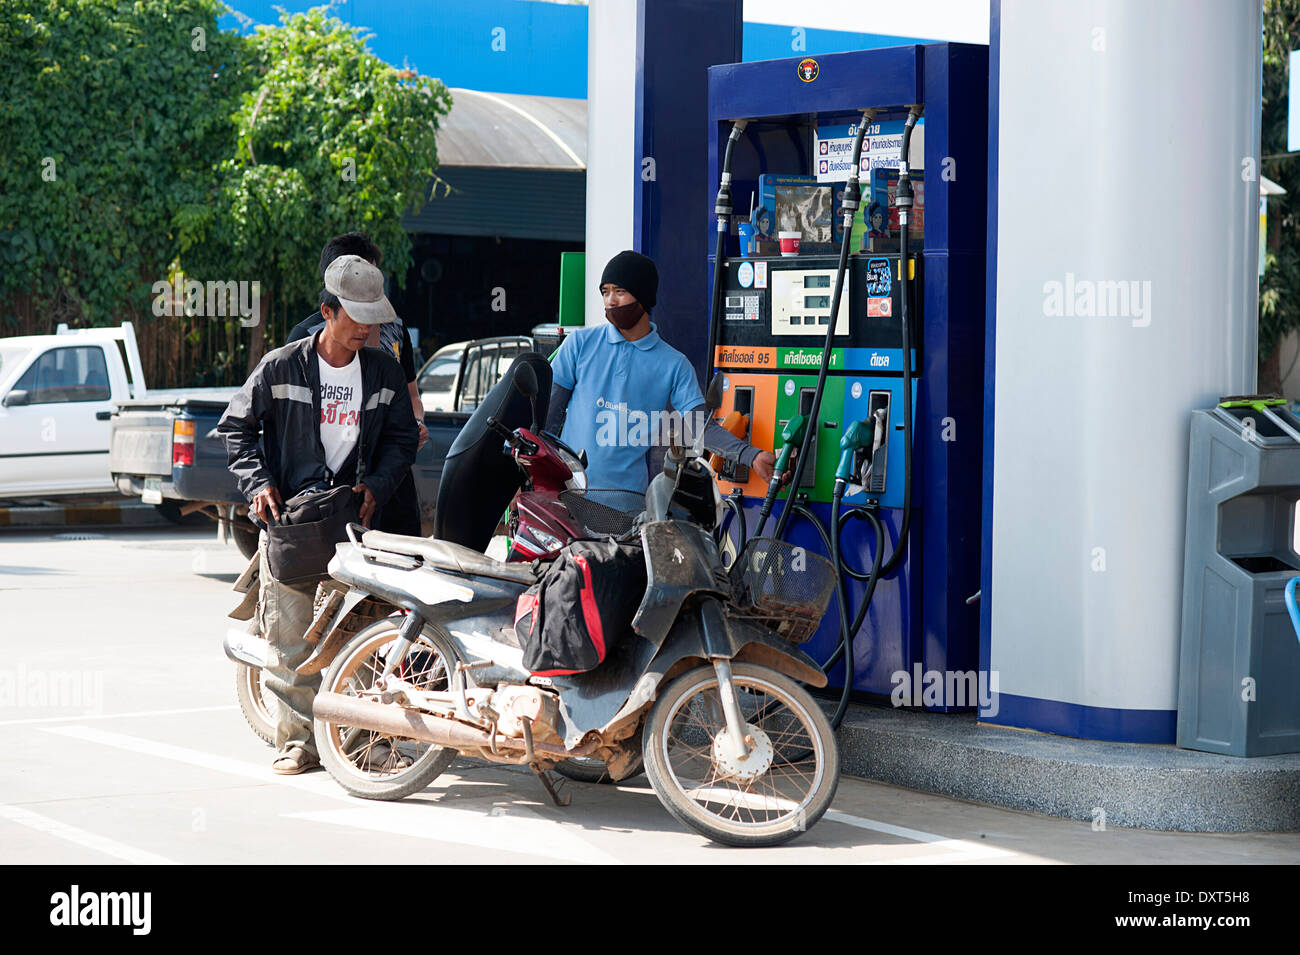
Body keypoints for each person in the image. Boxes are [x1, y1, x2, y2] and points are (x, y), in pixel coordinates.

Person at [218, 255, 418, 774]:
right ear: (327, 312)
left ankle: (359, 738)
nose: (368, 328)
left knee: (360, 637)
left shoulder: (384, 370)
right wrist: (259, 483)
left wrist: (378, 485)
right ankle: (298, 742)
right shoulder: (281, 365)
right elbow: (236, 428)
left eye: (375, 317)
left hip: (355, 525)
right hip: (292, 524)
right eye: (357, 316)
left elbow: (401, 440)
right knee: (290, 640)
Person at [545, 250, 777, 491]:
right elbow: (546, 417)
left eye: (620, 291)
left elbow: (699, 427)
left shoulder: (673, 364)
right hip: (566, 498)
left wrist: (751, 455)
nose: (610, 301)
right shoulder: (580, 344)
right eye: (605, 292)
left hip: (626, 506)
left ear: (643, 297)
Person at [285, 232, 427, 537]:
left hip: (390, 478)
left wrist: (414, 423)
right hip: (331, 485)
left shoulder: (395, 329)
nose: (370, 288)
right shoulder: (303, 339)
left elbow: (412, 393)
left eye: (373, 277)